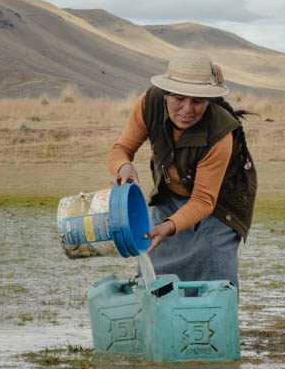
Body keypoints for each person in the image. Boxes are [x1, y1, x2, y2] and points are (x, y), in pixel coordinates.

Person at [107, 49, 257, 287]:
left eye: (197, 101)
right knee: (155, 276)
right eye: (179, 98)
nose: (188, 109)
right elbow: (121, 149)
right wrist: (123, 167)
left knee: (214, 275)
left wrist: (168, 226)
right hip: (170, 194)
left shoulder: (221, 131)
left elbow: (203, 201)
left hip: (219, 203)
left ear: (208, 99)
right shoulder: (149, 104)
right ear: (165, 94)